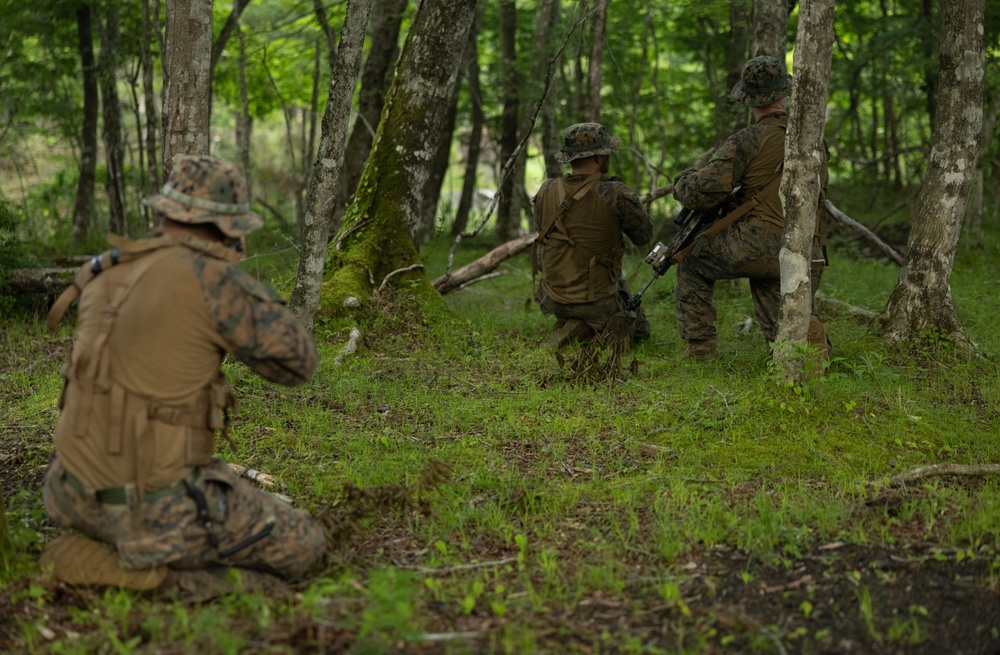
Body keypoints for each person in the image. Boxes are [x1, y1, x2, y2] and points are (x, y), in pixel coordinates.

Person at [41, 155, 326, 598]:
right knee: (305, 544)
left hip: (67, 489)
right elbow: (298, 363)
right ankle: (146, 574)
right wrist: (234, 278)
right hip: (145, 509)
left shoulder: (106, 269)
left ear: (164, 214)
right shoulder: (212, 282)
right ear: (228, 228)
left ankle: (107, 539)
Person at [672, 56, 830, 359]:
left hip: (762, 244)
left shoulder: (748, 139)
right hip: (809, 246)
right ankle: (808, 347)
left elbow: (702, 192)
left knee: (691, 260)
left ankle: (701, 348)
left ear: (748, 99)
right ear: (783, 93)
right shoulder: (813, 141)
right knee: (781, 323)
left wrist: (682, 181)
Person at [532, 122, 653, 348]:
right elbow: (643, 236)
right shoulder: (614, 192)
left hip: (552, 296)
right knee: (640, 329)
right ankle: (587, 328)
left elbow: (542, 237)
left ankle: (572, 321)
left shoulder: (546, 190)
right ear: (599, 157)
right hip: (595, 299)